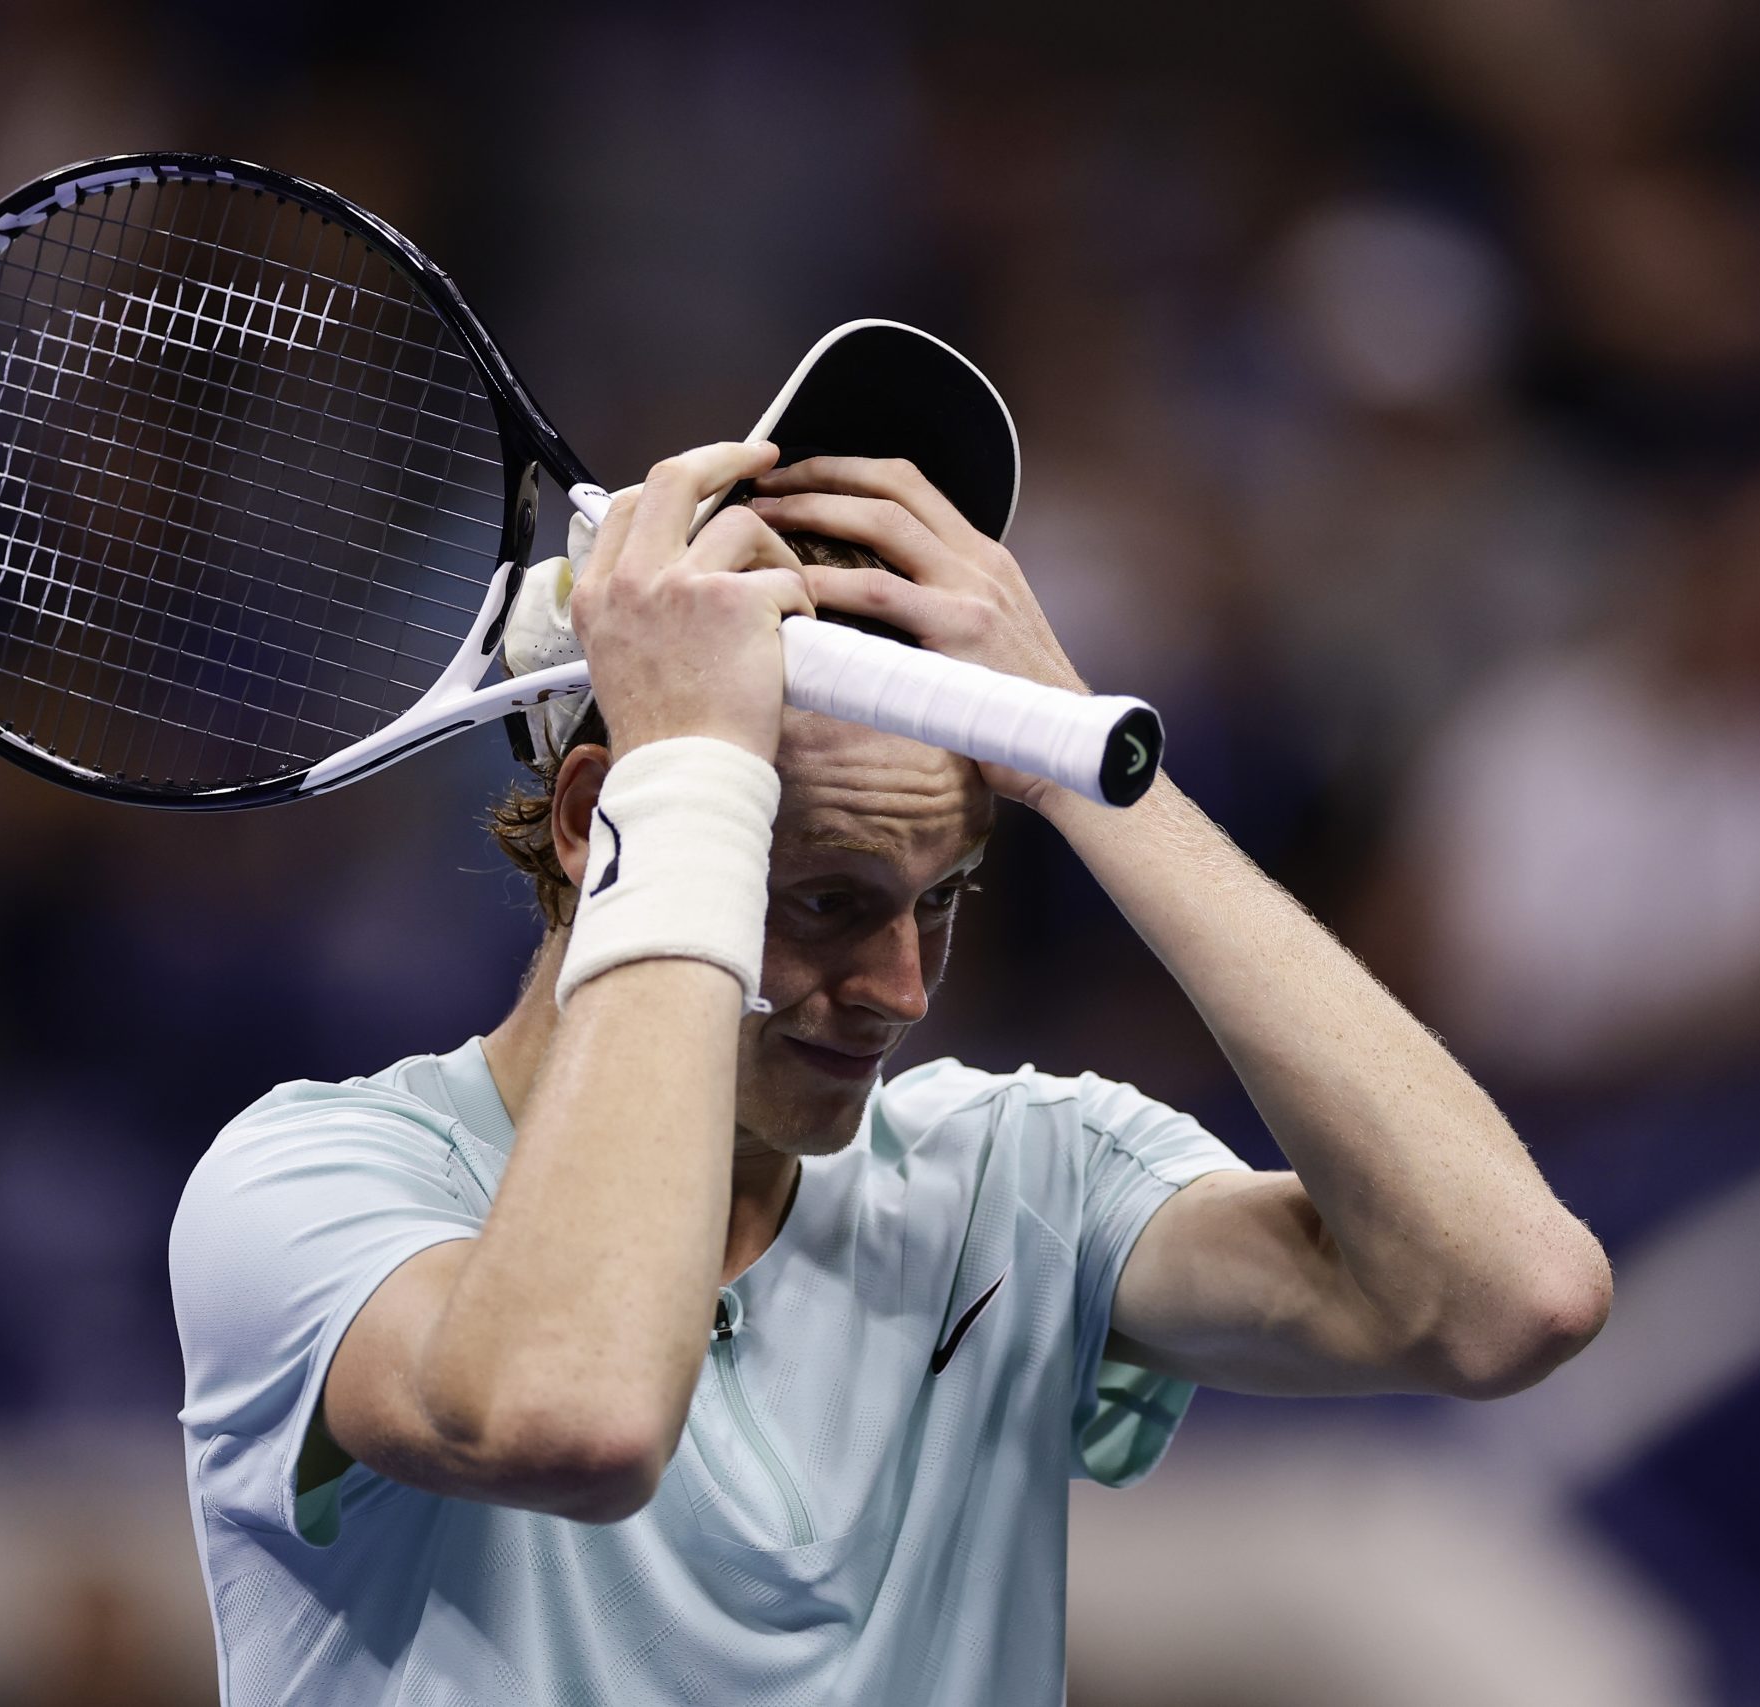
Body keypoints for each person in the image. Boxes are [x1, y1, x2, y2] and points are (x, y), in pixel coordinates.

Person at [170, 325, 1613, 1706]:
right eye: (822, 901)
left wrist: (1071, 755)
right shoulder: (310, 1187)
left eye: (941, 896)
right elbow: (578, 1412)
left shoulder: (1022, 1179)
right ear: (599, 820)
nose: (903, 993)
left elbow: (1511, 1301)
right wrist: (692, 776)